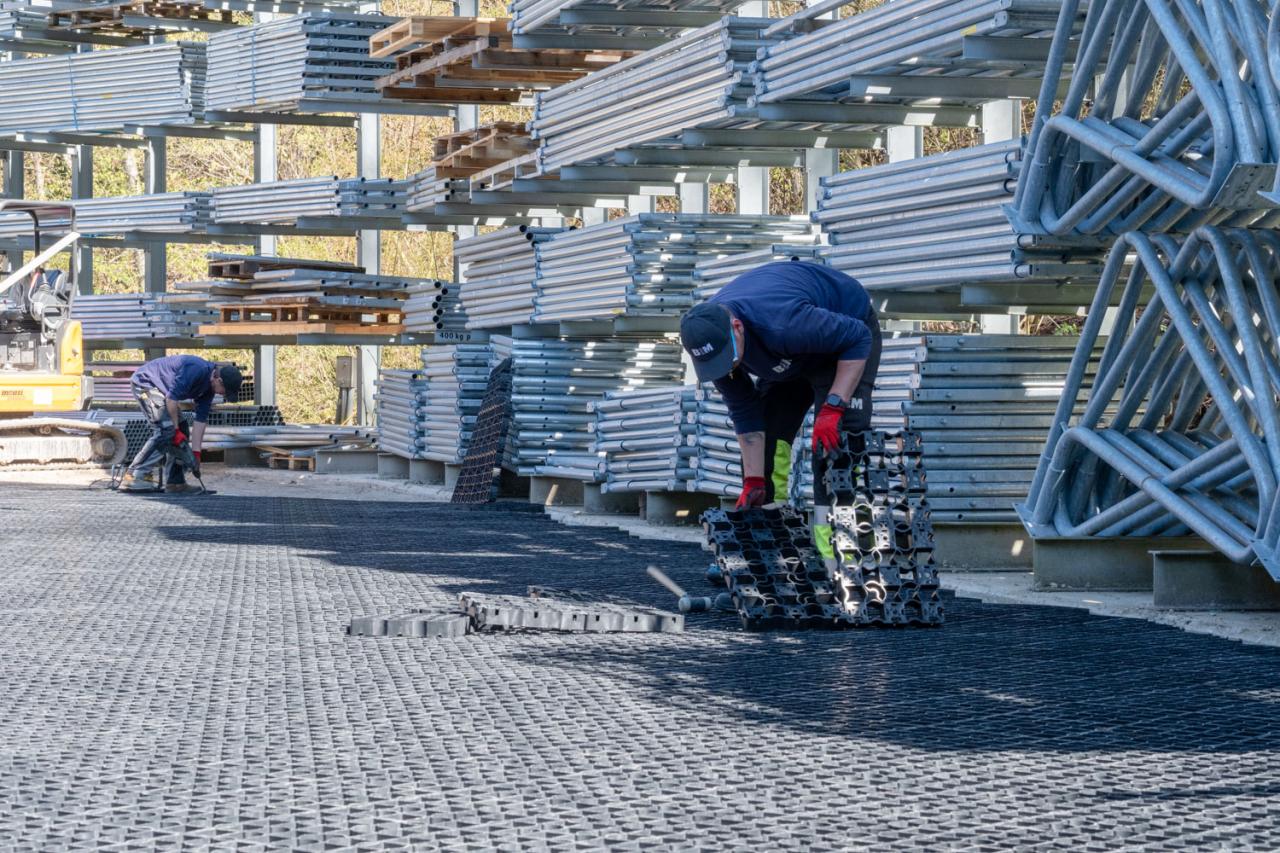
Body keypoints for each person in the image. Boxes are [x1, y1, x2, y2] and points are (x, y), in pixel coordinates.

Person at [679, 261, 882, 558]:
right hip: (789, 356)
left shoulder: (784, 323)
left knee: (833, 448)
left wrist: (834, 407)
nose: (729, 367)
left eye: (729, 357)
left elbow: (858, 337)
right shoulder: (714, 344)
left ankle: (842, 558)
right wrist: (753, 480)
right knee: (768, 444)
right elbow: (746, 414)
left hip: (845, 342)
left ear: (737, 327)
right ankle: (775, 550)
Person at [119, 355, 243, 493]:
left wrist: (196, 454)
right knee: (167, 430)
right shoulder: (197, 370)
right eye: (225, 391)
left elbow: (200, 422)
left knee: (182, 431)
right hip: (146, 383)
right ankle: (134, 475)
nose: (224, 395)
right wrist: (175, 430)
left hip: (163, 392)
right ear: (218, 380)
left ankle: (175, 483)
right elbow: (171, 400)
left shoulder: (210, 390)